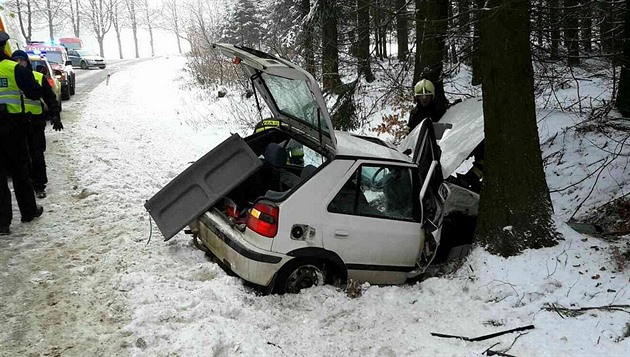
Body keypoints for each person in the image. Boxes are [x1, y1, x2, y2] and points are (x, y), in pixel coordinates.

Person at [0, 31, 47, 235]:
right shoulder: (15, 69)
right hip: (13, 128)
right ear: (4, 47)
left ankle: (2, 223)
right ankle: (28, 211)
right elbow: (34, 93)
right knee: (20, 170)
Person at [12, 50, 62, 199]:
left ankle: (39, 185)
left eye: (22, 60)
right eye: (16, 60)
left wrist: (55, 114)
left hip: (35, 121)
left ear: (27, 62)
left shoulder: (38, 77)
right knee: (22, 157)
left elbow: (50, 97)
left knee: (37, 154)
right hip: (16, 123)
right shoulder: (10, 76)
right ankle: (27, 185)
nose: (19, 63)